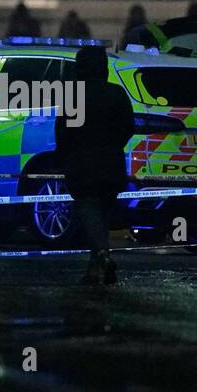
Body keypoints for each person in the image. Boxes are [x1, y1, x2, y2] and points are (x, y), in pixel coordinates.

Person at [54, 44, 134, 285]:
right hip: (111, 164)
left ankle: (101, 255)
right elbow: (128, 128)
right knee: (103, 214)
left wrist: (65, 157)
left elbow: (63, 132)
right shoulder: (117, 93)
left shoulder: (73, 96)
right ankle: (96, 265)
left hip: (82, 164)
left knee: (89, 211)